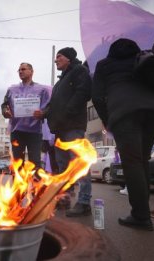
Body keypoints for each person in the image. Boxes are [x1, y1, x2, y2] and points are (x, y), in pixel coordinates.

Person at [93, 38, 154, 231]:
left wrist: (107, 118)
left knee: (133, 162)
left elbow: (96, 96)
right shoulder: (143, 57)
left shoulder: (104, 65)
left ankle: (141, 216)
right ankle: (143, 211)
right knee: (142, 160)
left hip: (125, 113)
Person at [34, 47, 92, 215]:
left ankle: (84, 202)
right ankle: (64, 199)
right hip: (59, 129)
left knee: (78, 164)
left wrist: (67, 113)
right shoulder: (59, 83)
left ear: (68, 58)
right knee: (63, 166)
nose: (56, 60)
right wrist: (43, 113)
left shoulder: (79, 71)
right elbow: (52, 106)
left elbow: (83, 93)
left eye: (59, 57)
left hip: (73, 127)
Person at [1, 63, 51, 169]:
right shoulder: (12, 89)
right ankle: (18, 186)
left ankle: (35, 185)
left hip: (35, 131)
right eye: (18, 70)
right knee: (18, 163)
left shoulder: (42, 89)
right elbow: (5, 105)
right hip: (17, 131)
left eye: (23, 69)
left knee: (35, 163)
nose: (20, 71)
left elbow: (50, 107)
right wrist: (5, 111)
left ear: (31, 71)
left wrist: (43, 113)